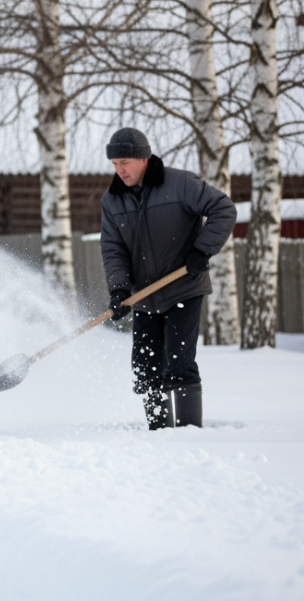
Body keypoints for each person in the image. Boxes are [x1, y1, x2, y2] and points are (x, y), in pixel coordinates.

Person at [100, 127, 236, 430]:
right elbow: (113, 248)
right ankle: (158, 433)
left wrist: (202, 250)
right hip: (144, 295)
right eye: (115, 164)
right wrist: (119, 289)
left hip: (183, 287)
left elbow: (223, 208)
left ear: (144, 159)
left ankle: (188, 432)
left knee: (179, 361)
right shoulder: (112, 200)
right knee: (146, 366)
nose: (120, 170)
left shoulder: (180, 184)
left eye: (125, 163)